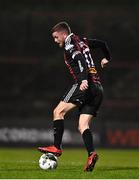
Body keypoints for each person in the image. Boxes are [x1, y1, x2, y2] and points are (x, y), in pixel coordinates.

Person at [38, 21, 111, 172]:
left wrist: (83, 79)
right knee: (83, 125)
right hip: (98, 88)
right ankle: (91, 154)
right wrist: (106, 58)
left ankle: (56, 147)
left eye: (56, 37)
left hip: (85, 84)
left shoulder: (70, 43)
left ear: (64, 34)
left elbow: (80, 60)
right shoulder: (82, 40)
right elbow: (102, 44)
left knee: (58, 112)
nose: (55, 40)